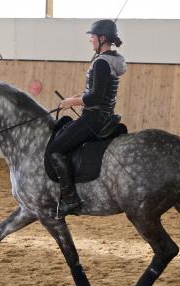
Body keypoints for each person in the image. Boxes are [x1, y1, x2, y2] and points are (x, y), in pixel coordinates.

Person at [48, 19, 127, 216]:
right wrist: (77, 97)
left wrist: (71, 103)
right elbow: (98, 93)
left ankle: (70, 199)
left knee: (55, 149)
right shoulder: (111, 60)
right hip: (103, 116)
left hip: (93, 119)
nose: (90, 40)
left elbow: (95, 97)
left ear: (101, 38)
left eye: (92, 37)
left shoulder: (101, 62)